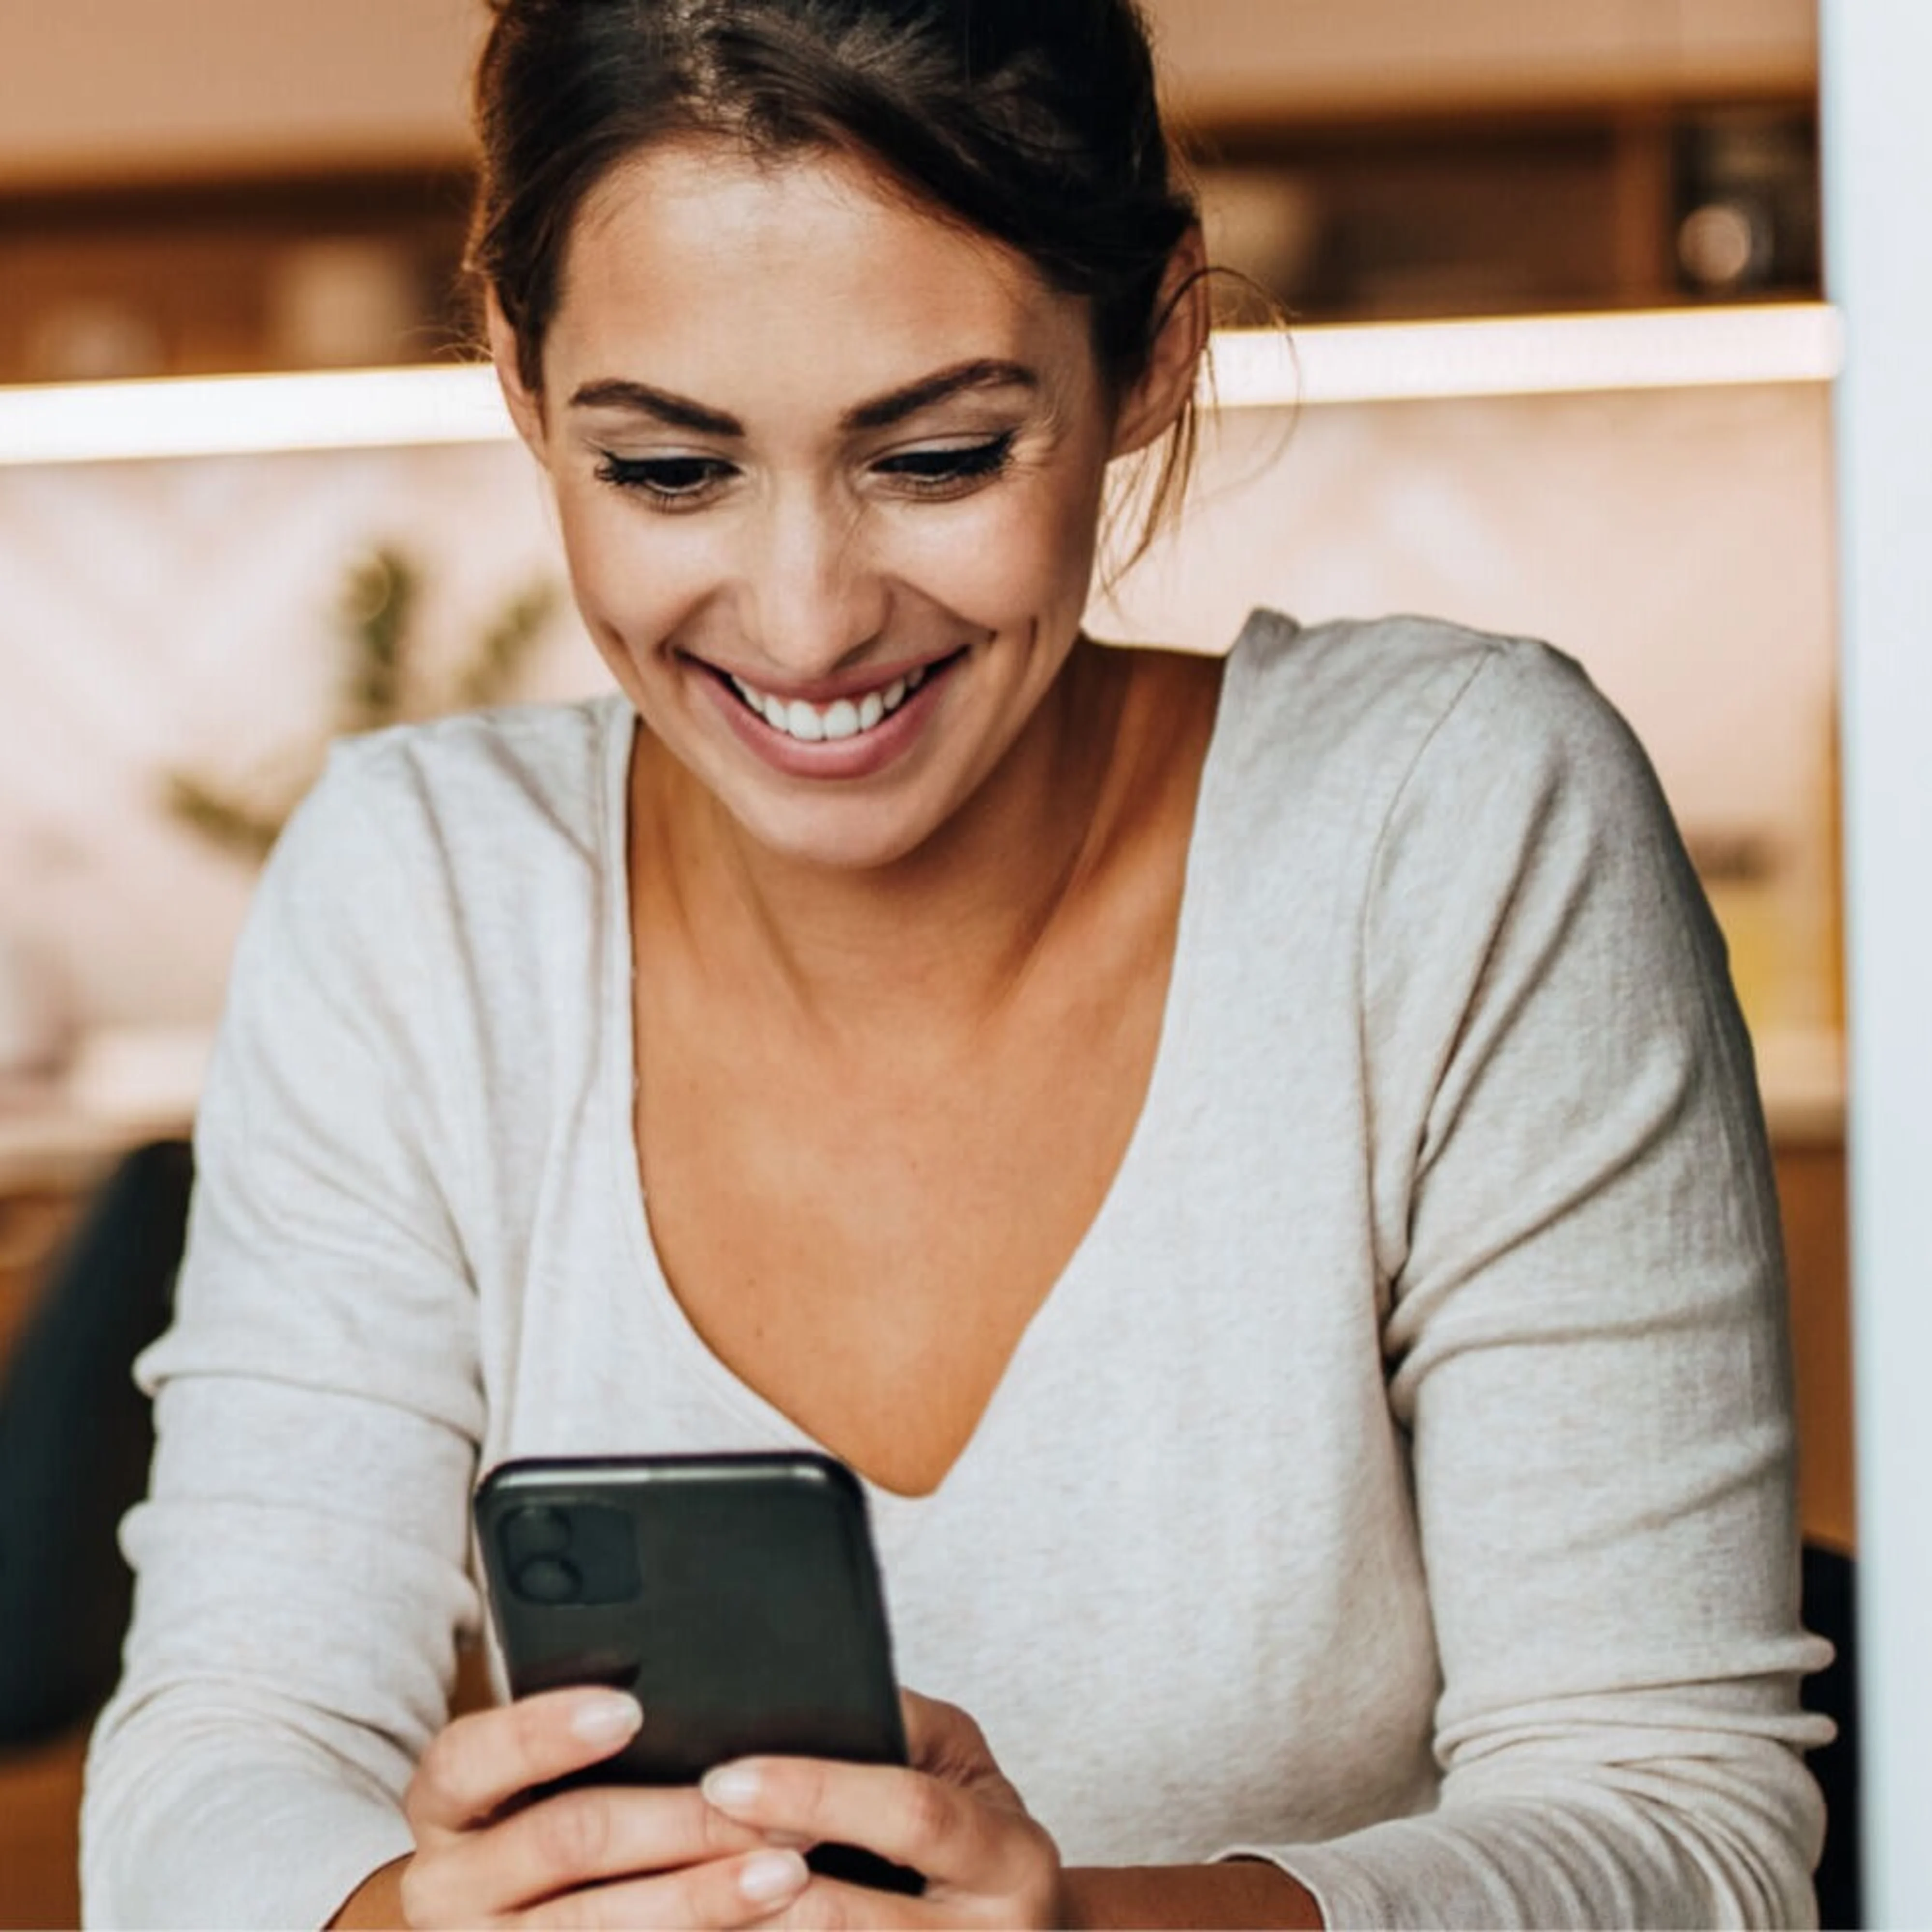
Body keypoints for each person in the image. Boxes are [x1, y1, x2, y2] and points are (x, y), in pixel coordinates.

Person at [81, 1, 1830, 1925]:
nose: (809, 617)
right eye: (670, 472)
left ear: (1153, 347)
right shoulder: (420, 896)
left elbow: (1686, 1838)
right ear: (518, 375)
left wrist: (1077, 1928)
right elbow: (202, 1789)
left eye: (937, 454)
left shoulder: (1452, 828)